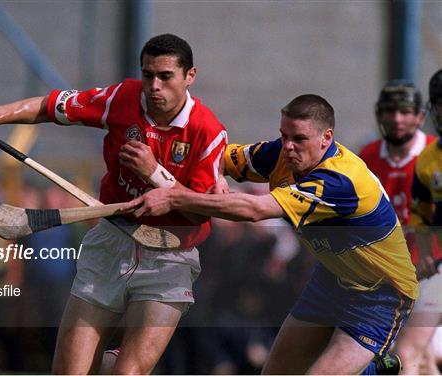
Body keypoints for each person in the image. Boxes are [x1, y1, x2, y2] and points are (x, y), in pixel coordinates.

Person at [0, 33, 228, 374]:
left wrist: (156, 175)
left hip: (169, 255)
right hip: (110, 243)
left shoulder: (207, 131)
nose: (154, 86)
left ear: (190, 76)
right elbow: (49, 106)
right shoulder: (122, 98)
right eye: (148, 75)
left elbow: (201, 210)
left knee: (128, 372)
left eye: (165, 76)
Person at [129, 94, 419, 374]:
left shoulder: (340, 181)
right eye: (284, 136)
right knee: (276, 371)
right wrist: (199, 170)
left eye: (299, 139)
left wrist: (172, 196)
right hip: (331, 278)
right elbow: (216, 155)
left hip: (380, 292)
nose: (289, 147)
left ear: (326, 138)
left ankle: (374, 370)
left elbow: (253, 210)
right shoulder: (282, 153)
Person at [359, 80, 438, 374]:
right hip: (387, 276)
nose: (397, 118)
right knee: (423, 361)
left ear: (420, 116)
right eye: (390, 111)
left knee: (404, 356)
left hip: (432, 272)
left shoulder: (434, 155)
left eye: (405, 111)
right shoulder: (365, 157)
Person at [392, 69, 442, 375]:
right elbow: (422, 215)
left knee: (412, 354)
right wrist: (425, 254)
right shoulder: (428, 160)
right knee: (413, 355)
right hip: (440, 271)